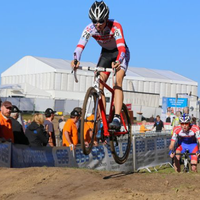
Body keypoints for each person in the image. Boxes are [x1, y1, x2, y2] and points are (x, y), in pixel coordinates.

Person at [71, 1, 130, 130]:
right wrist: (75, 60)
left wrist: (119, 61)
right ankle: (102, 118)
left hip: (120, 53)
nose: (97, 24)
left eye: (101, 21)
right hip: (105, 54)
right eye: (94, 21)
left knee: (117, 82)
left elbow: (121, 48)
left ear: (106, 18)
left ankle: (117, 117)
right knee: (98, 81)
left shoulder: (115, 26)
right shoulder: (89, 29)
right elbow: (79, 47)